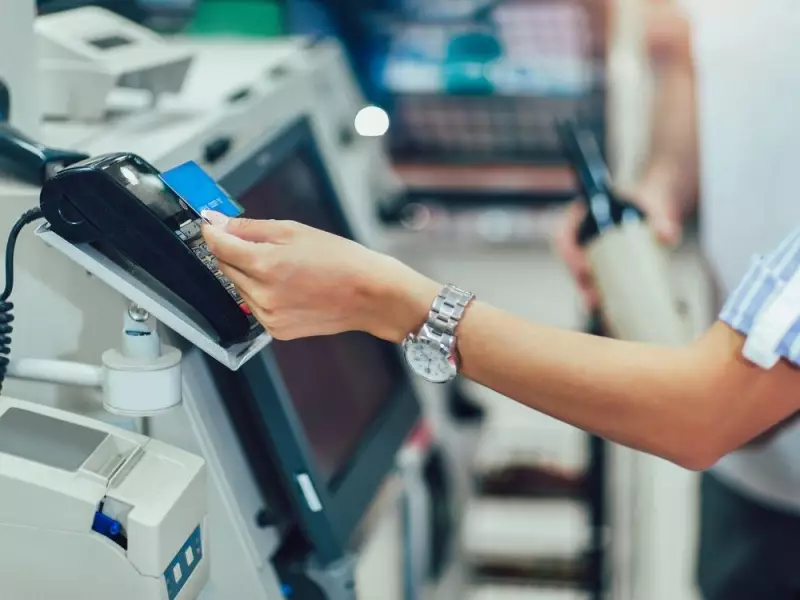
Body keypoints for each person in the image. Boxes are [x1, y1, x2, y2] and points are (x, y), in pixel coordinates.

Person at [555, 0, 800, 598]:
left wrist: (416, 308)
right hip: (749, 475)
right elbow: (698, 62)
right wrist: (659, 188)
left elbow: (704, 416)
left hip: (735, 407)